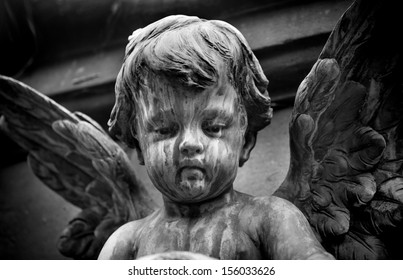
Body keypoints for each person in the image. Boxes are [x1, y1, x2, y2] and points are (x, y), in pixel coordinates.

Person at [98, 15, 334, 260]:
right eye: (165, 130)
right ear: (139, 147)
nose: (190, 143)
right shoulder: (127, 240)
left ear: (246, 141)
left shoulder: (270, 218)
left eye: (213, 127)